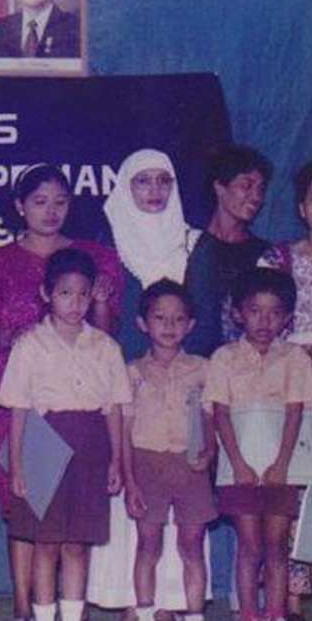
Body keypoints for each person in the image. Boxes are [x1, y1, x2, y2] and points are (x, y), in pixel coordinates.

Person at [0, 163, 121, 621]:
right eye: (39, 202)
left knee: (72, 523)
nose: (50, 211)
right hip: (19, 399)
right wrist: (18, 336)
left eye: (60, 202)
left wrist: (97, 303)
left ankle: (69, 609)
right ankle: (25, 606)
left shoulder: (95, 258)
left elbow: (106, 333)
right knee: (27, 510)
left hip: (82, 402)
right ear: (20, 206)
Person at [89, 149, 211, 615]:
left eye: (164, 181)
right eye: (143, 181)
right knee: (138, 515)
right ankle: (131, 601)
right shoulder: (108, 244)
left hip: (182, 392)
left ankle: (176, 602)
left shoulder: (192, 243)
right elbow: (100, 325)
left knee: (187, 527)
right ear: (126, 188)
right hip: (128, 387)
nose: (155, 191)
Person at [1, 248, 130, 621]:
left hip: (91, 446)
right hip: (44, 444)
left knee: (77, 544)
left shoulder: (106, 347)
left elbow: (114, 408)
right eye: (65, 293)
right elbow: (18, 410)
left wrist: (116, 462)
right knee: (46, 543)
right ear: (46, 294)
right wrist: (18, 467)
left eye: (83, 294)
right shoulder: (29, 345)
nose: (75, 303)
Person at [205, 268, 312, 621]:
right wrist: (238, 464)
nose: (264, 321)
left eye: (274, 312)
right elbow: (220, 414)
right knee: (249, 547)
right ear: (238, 313)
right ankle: (249, 613)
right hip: (240, 468)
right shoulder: (224, 358)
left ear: (287, 317)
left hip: (283, 468)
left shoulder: (296, 359)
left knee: (277, 547)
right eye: (255, 310)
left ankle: (276, 614)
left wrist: (282, 464)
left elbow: (295, 412)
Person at [121, 280, 217, 621]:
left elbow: (210, 418)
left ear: (190, 325)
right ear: (142, 323)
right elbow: (124, 431)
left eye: (179, 319)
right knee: (148, 544)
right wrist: (130, 480)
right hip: (146, 464)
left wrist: (209, 452)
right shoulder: (132, 372)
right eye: (160, 317)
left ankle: (194, 615)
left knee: (192, 544)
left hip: (190, 465)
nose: (169, 326)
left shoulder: (203, 369)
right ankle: (146, 611)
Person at [258, 161, 312, 615]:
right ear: (302, 207)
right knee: (293, 489)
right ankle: (292, 594)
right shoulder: (277, 260)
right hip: (287, 388)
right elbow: (258, 324)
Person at [185, 146, 272, 358]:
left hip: (242, 365)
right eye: (246, 186)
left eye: (261, 189)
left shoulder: (264, 255)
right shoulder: (188, 244)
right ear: (219, 187)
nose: (256, 197)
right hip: (190, 363)